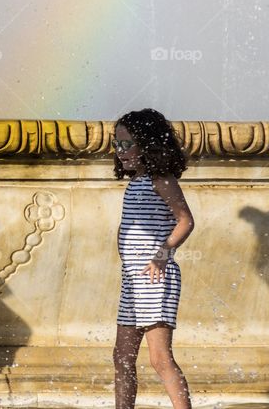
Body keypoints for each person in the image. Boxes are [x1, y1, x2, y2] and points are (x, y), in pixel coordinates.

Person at [112, 108, 195, 409]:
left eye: (126, 144)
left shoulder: (161, 179)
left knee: (160, 359)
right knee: (121, 356)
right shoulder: (135, 183)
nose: (120, 151)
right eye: (116, 144)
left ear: (147, 144)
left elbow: (185, 220)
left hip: (155, 278)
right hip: (133, 280)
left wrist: (162, 255)